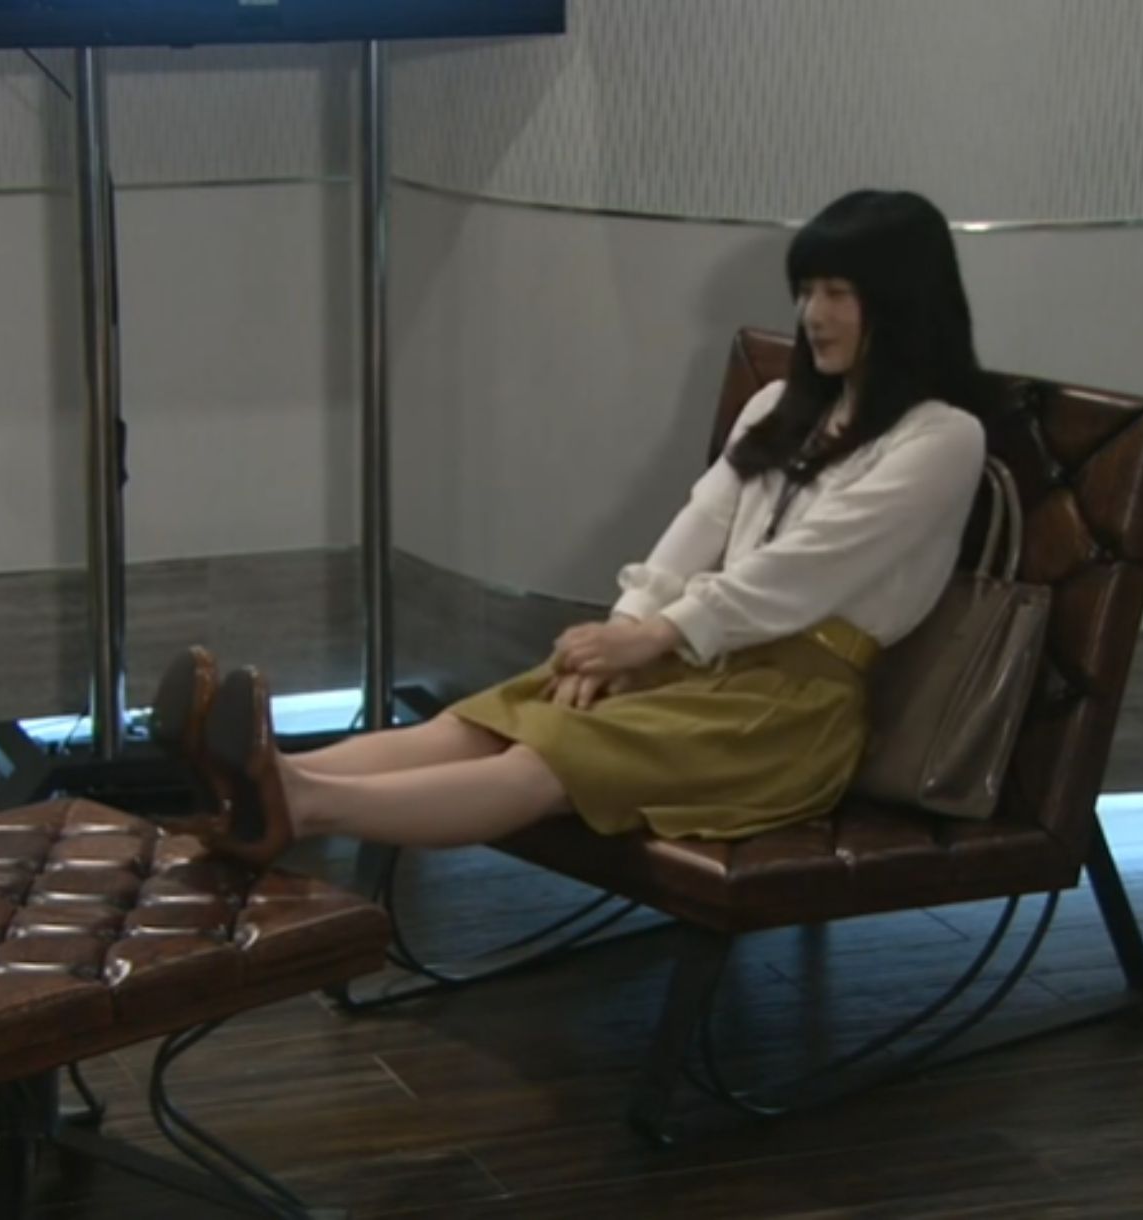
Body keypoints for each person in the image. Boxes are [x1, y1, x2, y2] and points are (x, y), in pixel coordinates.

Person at [151, 189, 994, 868]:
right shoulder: (781, 403)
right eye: (806, 291)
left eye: (838, 293)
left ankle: (297, 806)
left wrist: (656, 635)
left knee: (545, 759)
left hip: (791, 711)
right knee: (484, 721)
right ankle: (261, 772)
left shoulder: (943, 439)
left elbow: (810, 568)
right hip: (693, 656)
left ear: (900, 301)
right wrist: (623, 634)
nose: (813, 313)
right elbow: (701, 521)